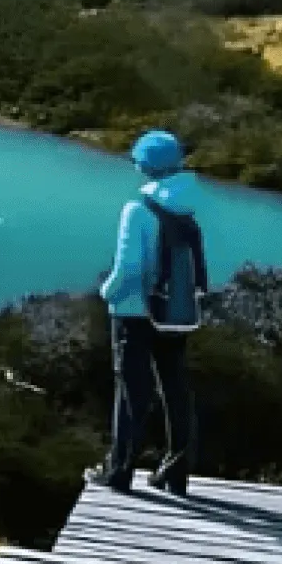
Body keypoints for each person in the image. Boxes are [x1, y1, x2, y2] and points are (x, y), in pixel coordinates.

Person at [88, 129, 208, 496]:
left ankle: (119, 471)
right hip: (176, 311)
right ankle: (175, 471)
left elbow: (129, 271)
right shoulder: (188, 207)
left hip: (134, 314)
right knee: (175, 387)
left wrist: (106, 294)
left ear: (145, 165)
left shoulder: (138, 210)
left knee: (131, 391)